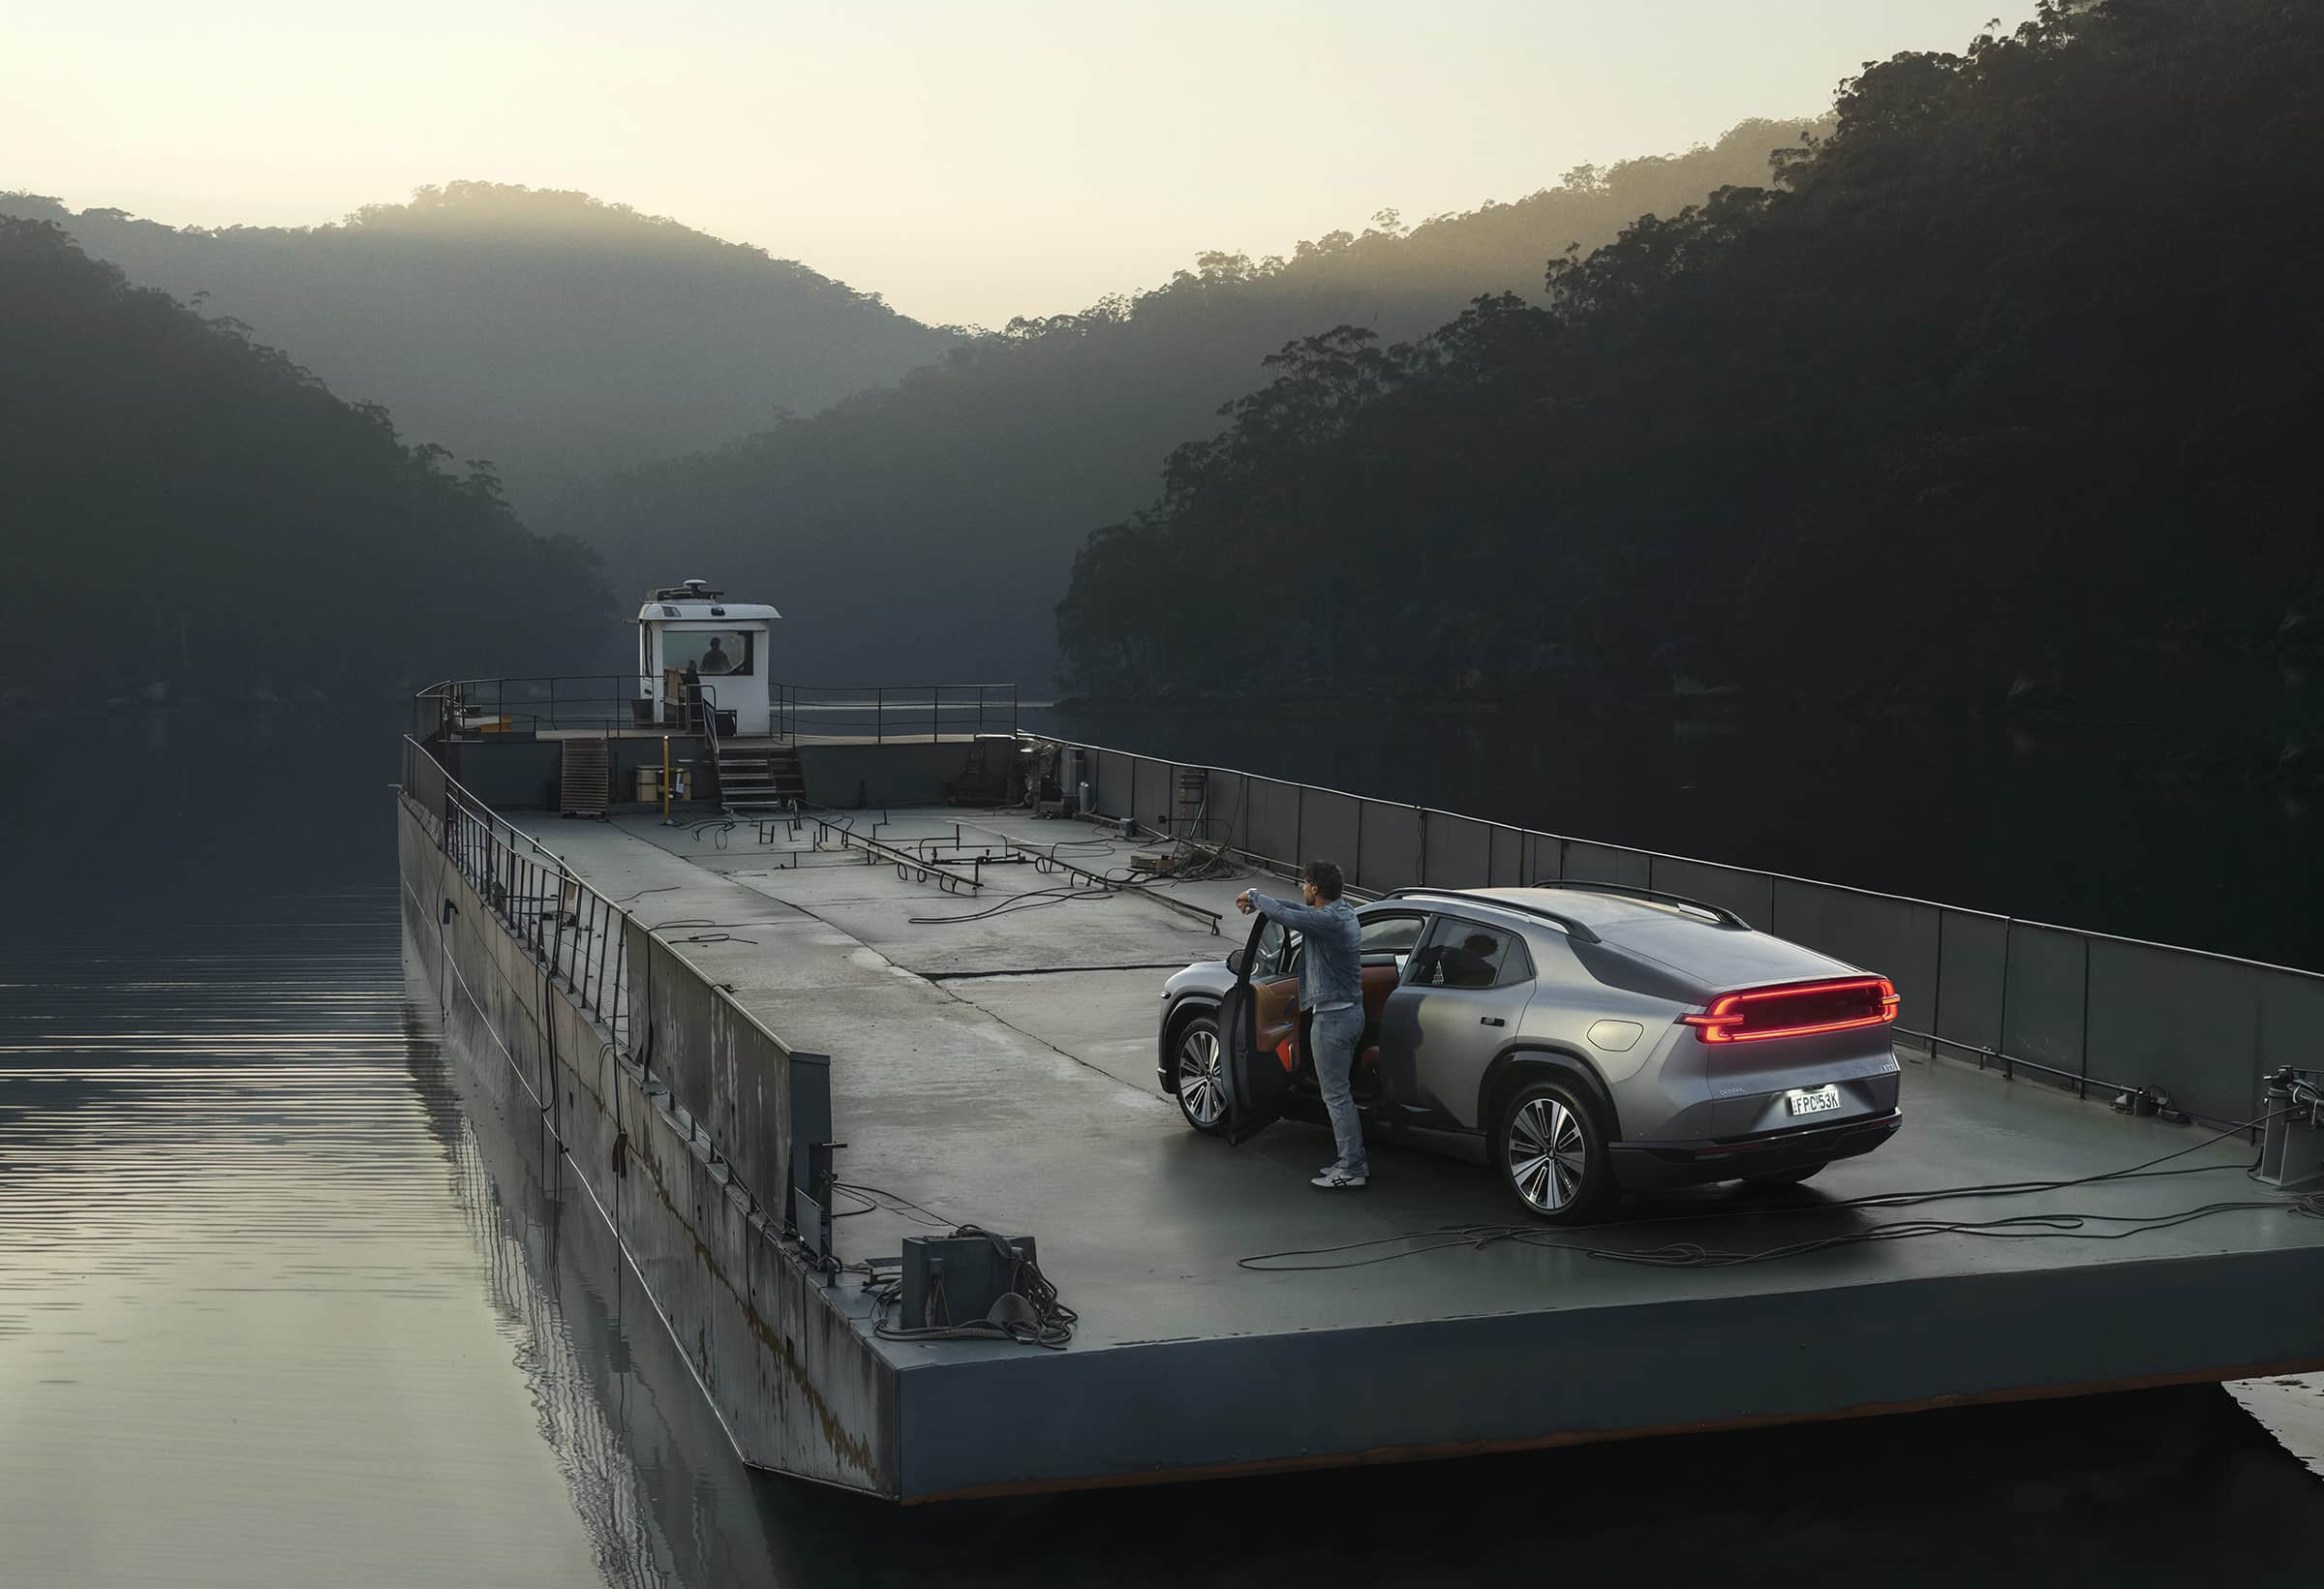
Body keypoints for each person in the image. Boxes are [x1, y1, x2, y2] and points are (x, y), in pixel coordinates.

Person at [1236, 860, 1367, 1189]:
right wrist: (1259, 899)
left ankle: (1351, 1168)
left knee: (1336, 1095)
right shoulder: (1342, 913)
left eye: (1305, 883)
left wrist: (1256, 895)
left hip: (1333, 1020)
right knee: (1339, 1093)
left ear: (1316, 888)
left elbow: (1289, 915)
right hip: (1348, 1014)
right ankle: (1350, 1161)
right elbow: (1296, 911)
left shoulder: (1328, 921)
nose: (1303, 888)